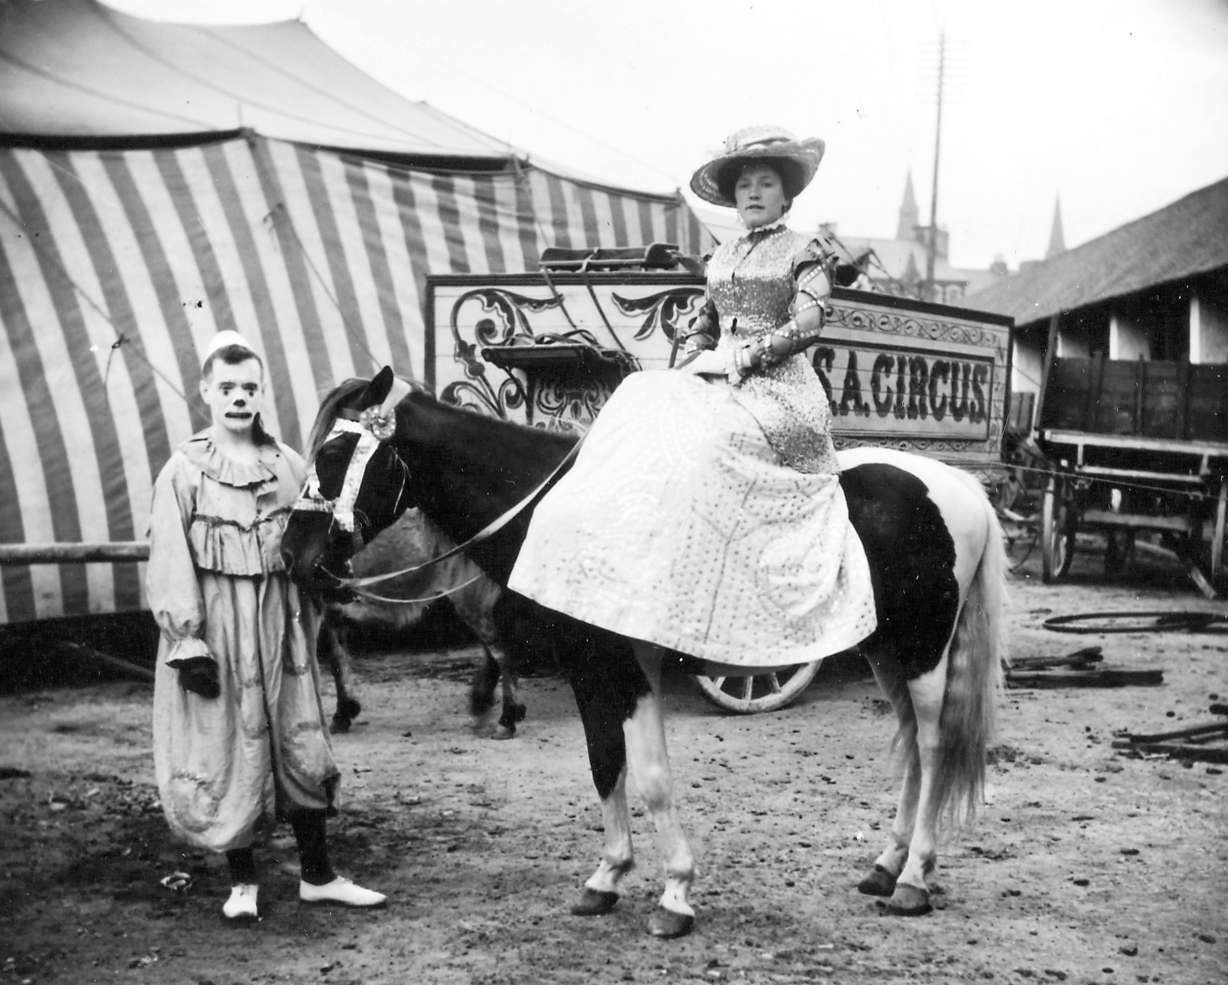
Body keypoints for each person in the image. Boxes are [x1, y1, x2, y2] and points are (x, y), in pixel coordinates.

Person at [507, 126, 877, 667]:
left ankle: (734, 577)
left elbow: (808, 321)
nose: (752, 193)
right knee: (641, 401)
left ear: (785, 195)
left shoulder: (804, 251)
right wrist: (687, 364)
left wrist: (744, 358)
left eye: (765, 183)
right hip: (717, 377)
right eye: (745, 184)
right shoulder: (722, 255)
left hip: (778, 391)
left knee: (709, 442)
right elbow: (704, 325)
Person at [146, 330, 385, 921]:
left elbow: (316, 538)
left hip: (284, 623)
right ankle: (244, 884)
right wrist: (188, 642)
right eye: (226, 387)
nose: (238, 398)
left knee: (299, 738)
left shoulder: (289, 466)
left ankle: (318, 875)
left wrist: (330, 572)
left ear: (261, 392)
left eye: (249, 387)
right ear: (206, 391)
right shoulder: (183, 471)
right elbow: (171, 560)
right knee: (231, 744)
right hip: (220, 632)